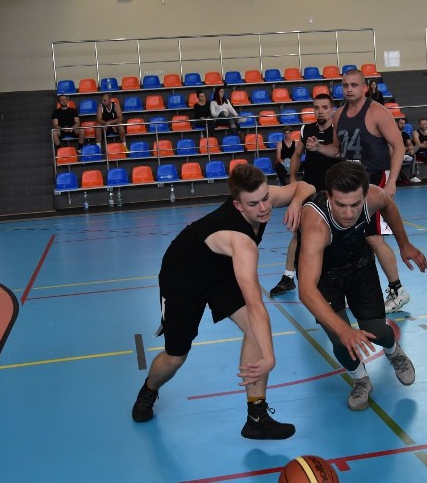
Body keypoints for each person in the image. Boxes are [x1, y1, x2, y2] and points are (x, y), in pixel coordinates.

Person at [131, 164, 315, 440]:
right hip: (183, 275)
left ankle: (256, 417)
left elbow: (306, 186)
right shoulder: (241, 242)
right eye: (253, 204)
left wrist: (296, 202)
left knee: (255, 331)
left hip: (220, 269)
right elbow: (255, 305)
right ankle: (148, 390)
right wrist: (270, 357)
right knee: (176, 355)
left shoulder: (264, 199)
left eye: (266, 198)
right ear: (238, 206)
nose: (264, 208)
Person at [296, 161, 427, 411]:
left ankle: (393, 351)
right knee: (341, 339)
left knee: (377, 330)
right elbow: (306, 290)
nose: (348, 213)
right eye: (341, 205)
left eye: (355, 205)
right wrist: (342, 330)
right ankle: (361, 380)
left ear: (365, 195)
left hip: (359, 267)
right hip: (325, 278)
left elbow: (389, 206)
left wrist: (404, 243)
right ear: (329, 197)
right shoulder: (316, 225)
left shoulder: (374, 197)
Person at [332, 68, 414, 313]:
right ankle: (355, 289)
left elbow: (398, 145)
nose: (349, 89)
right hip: (349, 186)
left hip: (374, 183)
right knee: (351, 238)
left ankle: (398, 290)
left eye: (354, 85)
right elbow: (338, 150)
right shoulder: (338, 115)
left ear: (364, 87)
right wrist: (315, 148)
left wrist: (392, 181)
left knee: (374, 237)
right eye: (345, 85)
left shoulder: (378, 112)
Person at [269, 93, 340, 296]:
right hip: (309, 188)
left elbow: (342, 153)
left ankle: (332, 277)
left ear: (332, 109)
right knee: (299, 233)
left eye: (325, 107)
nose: (320, 111)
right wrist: (293, 180)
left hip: (333, 191)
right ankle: (288, 276)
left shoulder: (338, 131)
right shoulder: (306, 129)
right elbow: (297, 155)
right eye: (317, 107)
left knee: (334, 235)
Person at [396, 117, 416, 184]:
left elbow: (409, 143)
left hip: (404, 152)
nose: (403, 125)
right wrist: (406, 148)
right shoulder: (393, 134)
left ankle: (412, 176)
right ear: (397, 124)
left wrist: (410, 147)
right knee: (396, 157)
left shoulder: (405, 134)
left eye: (404, 124)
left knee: (413, 155)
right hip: (395, 153)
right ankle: (403, 177)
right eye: (401, 123)